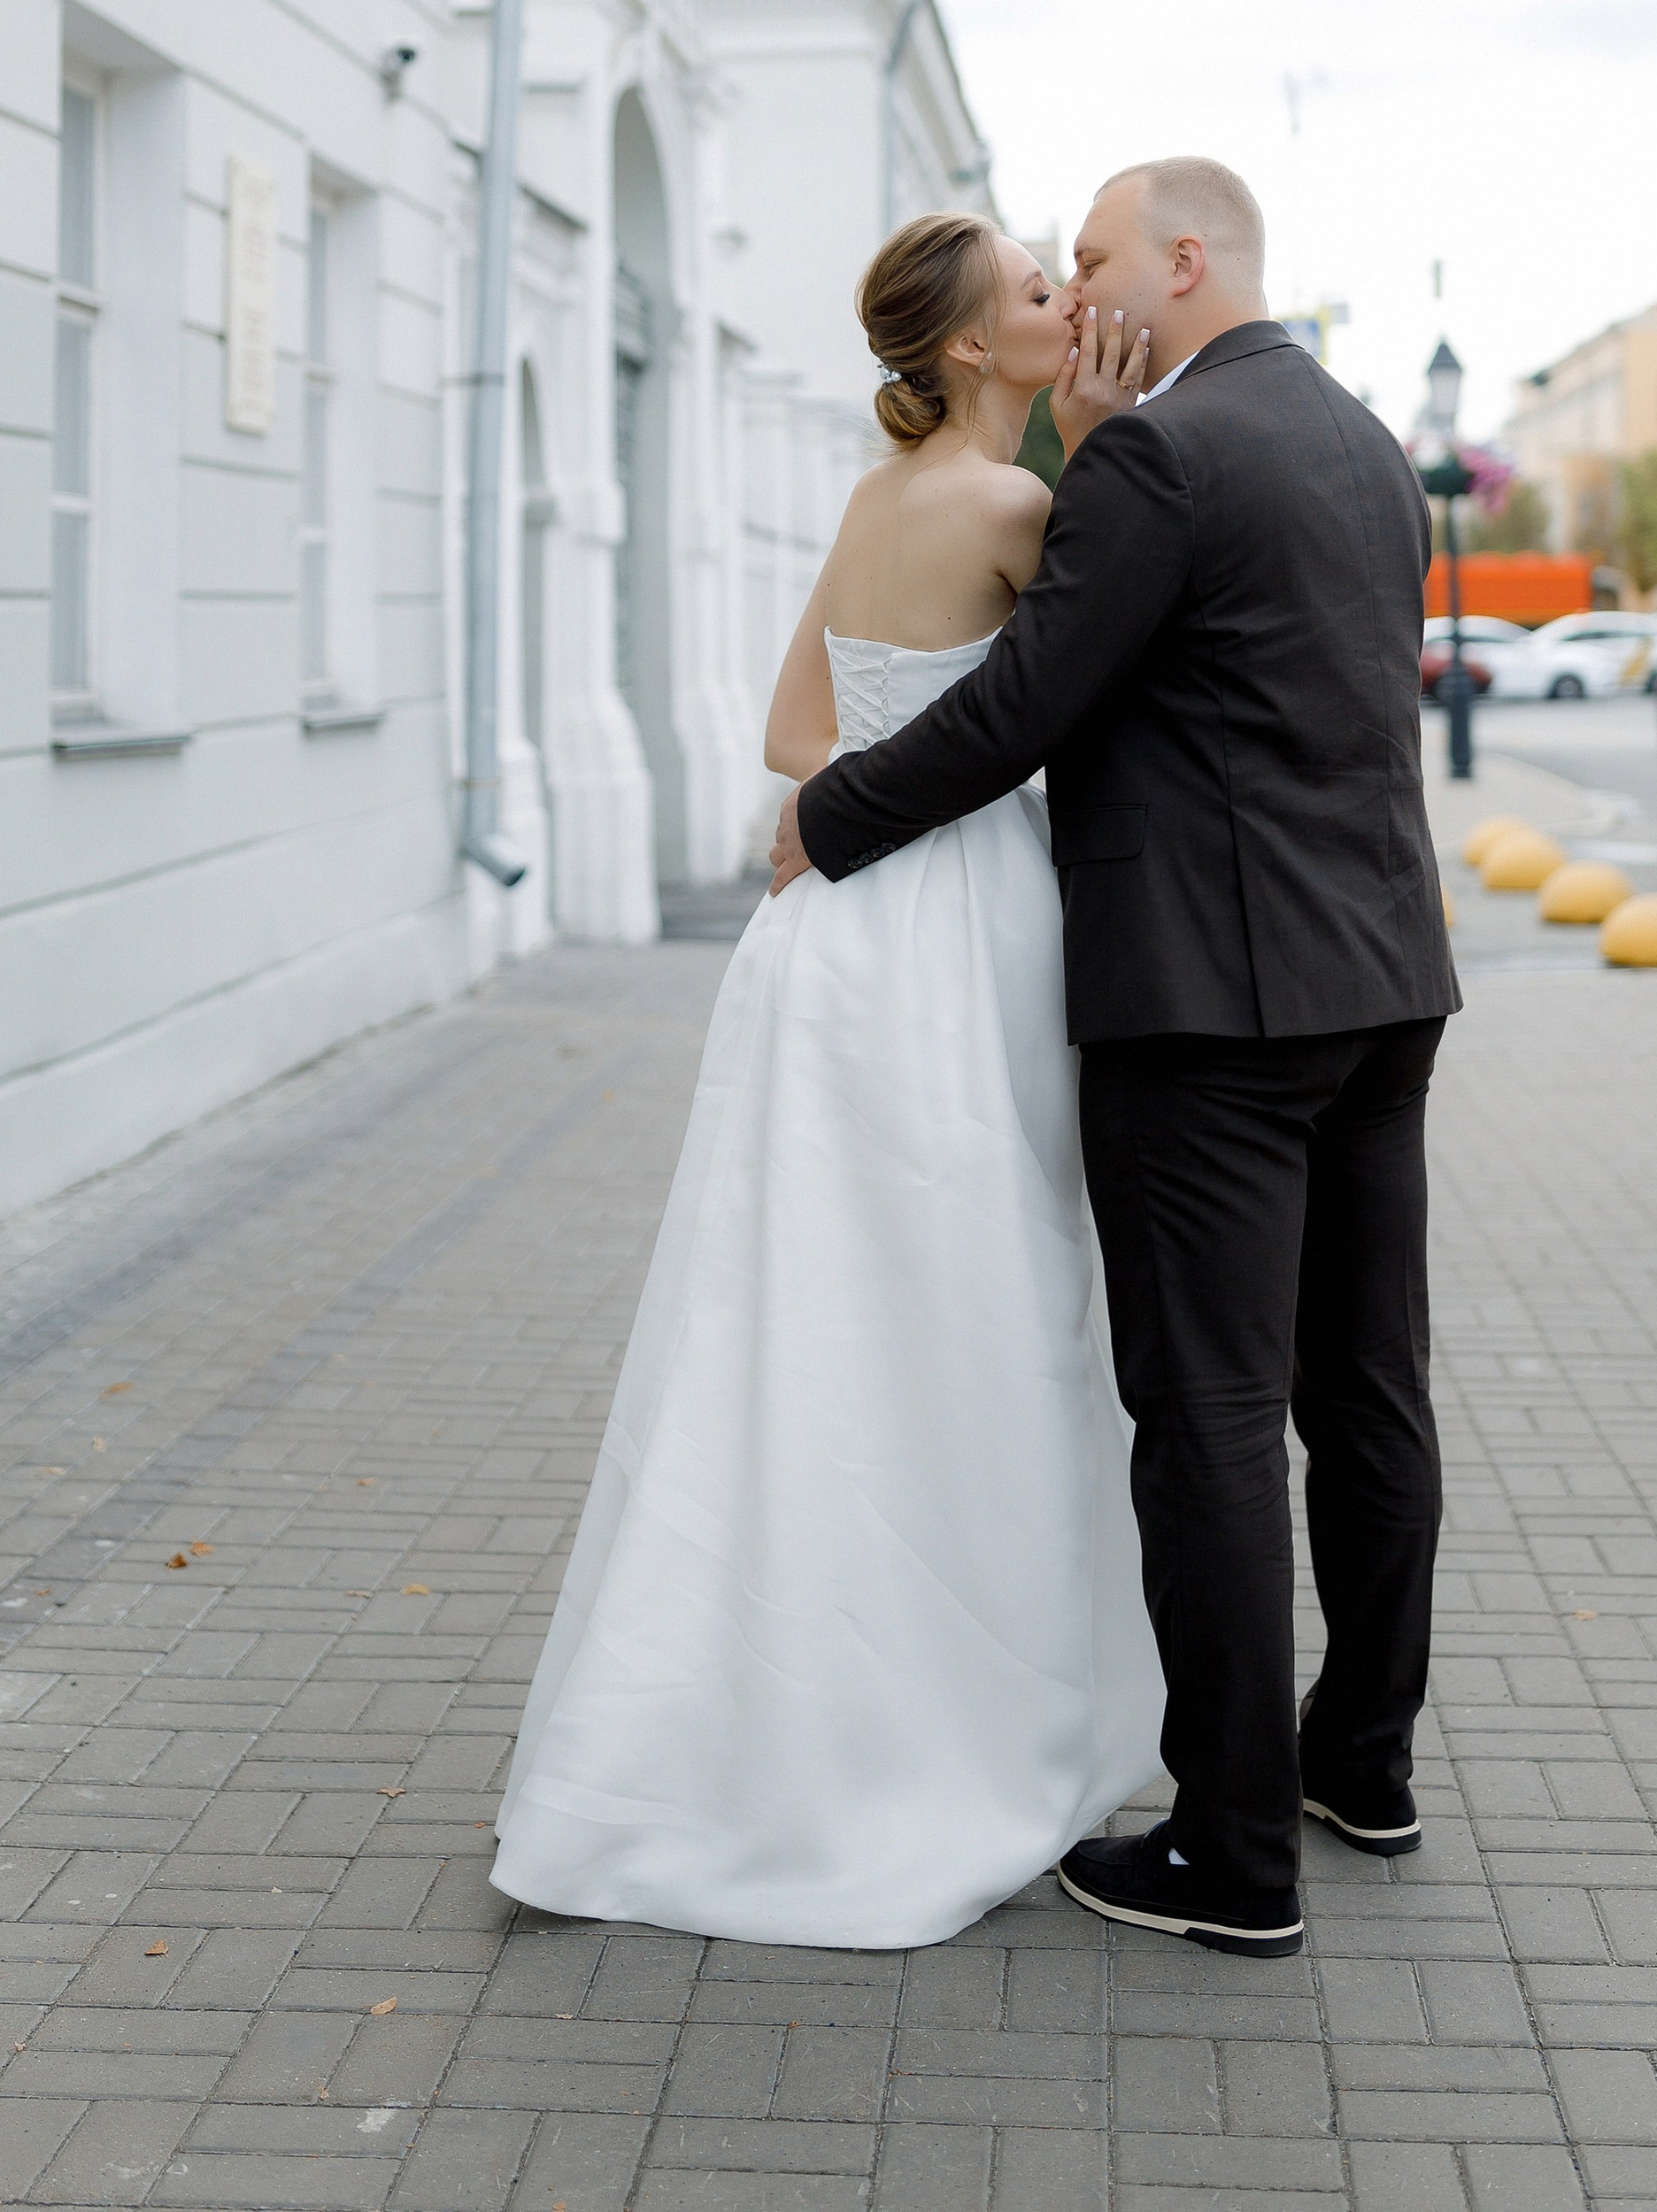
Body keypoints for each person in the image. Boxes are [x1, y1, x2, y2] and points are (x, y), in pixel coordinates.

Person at [774, 155, 1457, 1961]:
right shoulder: (1365, 443)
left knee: (1212, 1414)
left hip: (1207, 1008)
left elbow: (1021, 702)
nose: (1072, 287)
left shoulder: (1155, 454)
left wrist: (827, 819)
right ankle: (1359, 1766)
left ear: (1179, 258)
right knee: (1363, 1387)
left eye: (1086, 256)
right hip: (1383, 979)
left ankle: (1232, 1854)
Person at [491, 213, 1165, 1951]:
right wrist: (1101, 455)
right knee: (977, 1308)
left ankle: (768, 1713)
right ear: (964, 352)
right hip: (961, 940)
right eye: (1035, 292)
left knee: (811, 1312)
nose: (1064, 301)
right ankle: (943, 1727)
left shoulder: (877, 503)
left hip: (833, 940)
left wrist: (848, 797)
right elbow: (1092, 712)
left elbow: (798, 735)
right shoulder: (1020, 508)